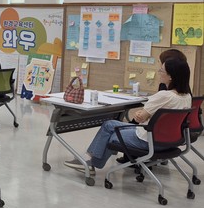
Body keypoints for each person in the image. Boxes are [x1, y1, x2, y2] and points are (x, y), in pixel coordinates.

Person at [65, 58, 193, 173]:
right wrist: (144, 114)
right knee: (109, 125)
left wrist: (141, 114)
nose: (159, 72)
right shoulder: (187, 97)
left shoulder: (164, 95)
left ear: (170, 76)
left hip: (149, 141)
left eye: (161, 70)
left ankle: (90, 163)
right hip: (171, 142)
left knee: (111, 134)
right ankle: (91, 162)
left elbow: (140, 118)